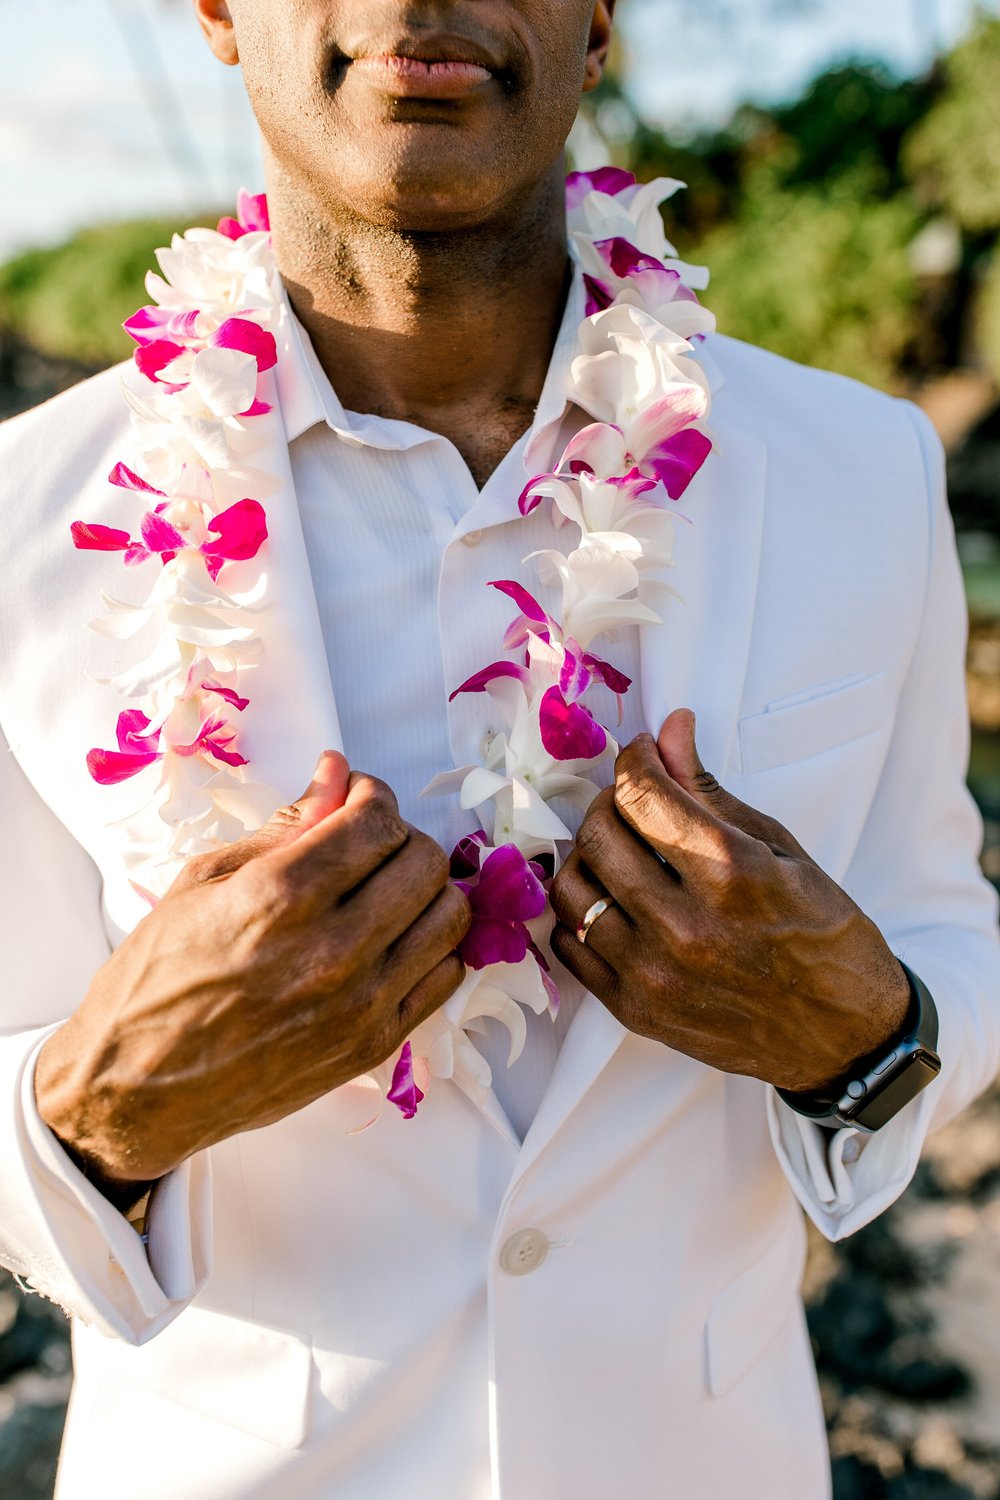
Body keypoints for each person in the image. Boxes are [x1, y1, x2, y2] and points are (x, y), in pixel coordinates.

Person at [0, 2, 997, 1496]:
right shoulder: (22, 522)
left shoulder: (862, 469)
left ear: (598, 19)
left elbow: (947, 933)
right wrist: (106, 1099)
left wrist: (861, 1029)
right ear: (215, 10)